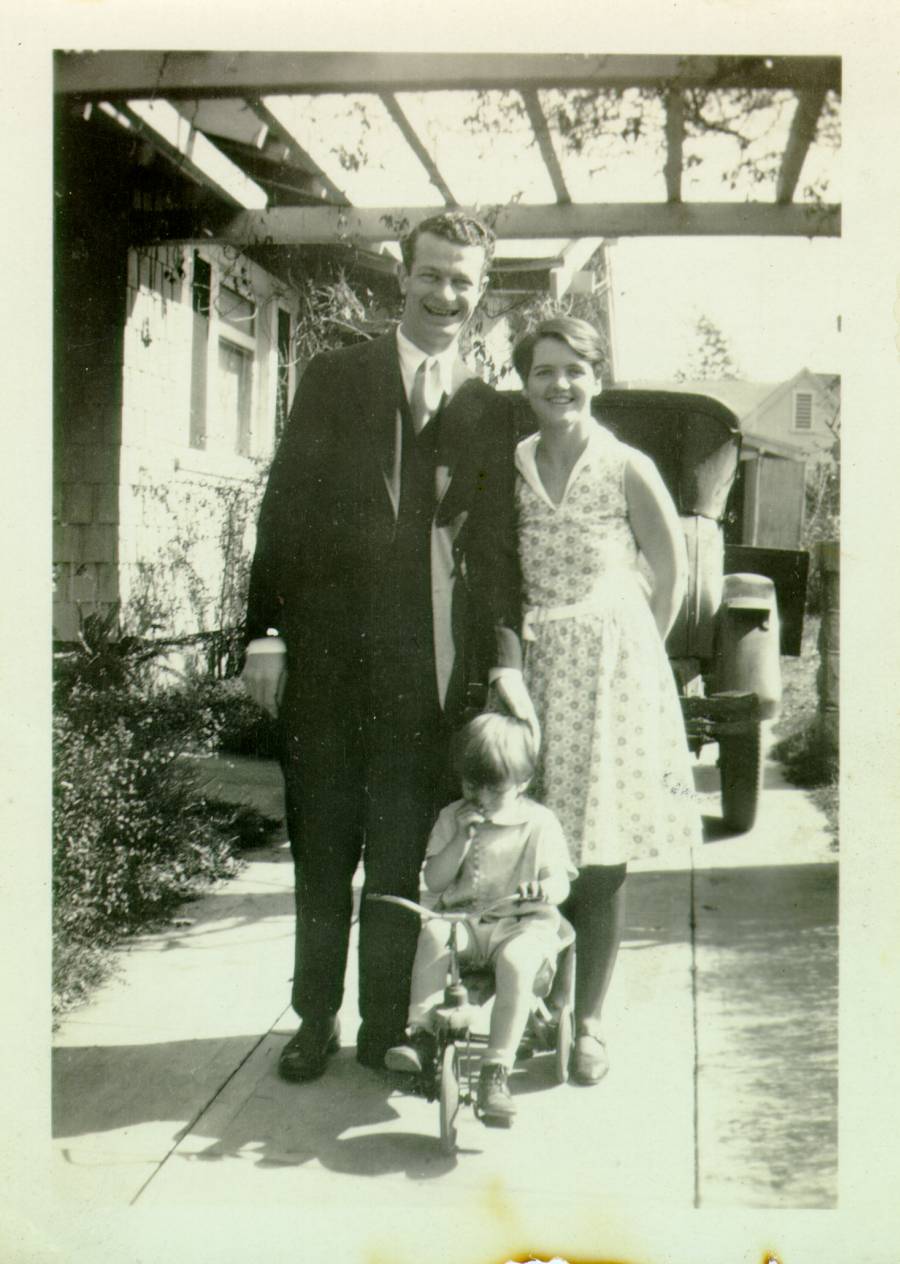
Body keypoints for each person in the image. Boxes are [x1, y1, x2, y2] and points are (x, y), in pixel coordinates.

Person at [241, 212, 534, 1083]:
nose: (446, 294)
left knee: (403, 857)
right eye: (433, 275)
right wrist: (265, 632)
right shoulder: (338, 377)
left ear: (480, 295)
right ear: (402, 277)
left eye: (463, 282)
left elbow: (500, 548)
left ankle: (380, 1027)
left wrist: (507, 661)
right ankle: (313, 1019)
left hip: (427, 673)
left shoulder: (491, 408)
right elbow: (283, 508)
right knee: (324, 848)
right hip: (330, 662)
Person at [499, 316, 702, 1086]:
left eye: (575, 371)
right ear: (526, 383)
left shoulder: (625, 464)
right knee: (536, 840)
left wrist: (636, 652)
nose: (560, 385)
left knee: (601, 853)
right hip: (537, 666)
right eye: (545, 371)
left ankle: (588, 1021)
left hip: (612, 668)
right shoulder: (512, 462)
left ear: (597, 379)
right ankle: (539, 1002)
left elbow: (670, 569)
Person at [385, 713, 575, 1125]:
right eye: (472, 784)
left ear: (522, 782)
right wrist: (460, 839)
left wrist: (543, 890)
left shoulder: (539, 823)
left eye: (494, 787)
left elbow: (560, 881)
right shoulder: (453, 818)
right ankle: (420, 1036)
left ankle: (496, 1071)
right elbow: (434, 881)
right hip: (465, 922)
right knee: (435, 933)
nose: (480, 796)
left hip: (521, 922)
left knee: (517, 961)